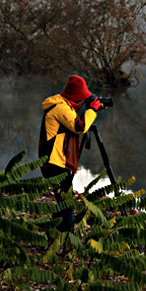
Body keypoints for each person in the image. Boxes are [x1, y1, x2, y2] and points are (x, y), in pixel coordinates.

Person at [38, 75, 105, 233]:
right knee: (66, 202)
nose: (83, 101)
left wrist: (92, 109)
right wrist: (92, 110)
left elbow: (71, 119)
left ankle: (54, 231)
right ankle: (67, 236)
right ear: (76, 97)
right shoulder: (60, 107)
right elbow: (79, 127)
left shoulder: (62, 104)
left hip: (55, 161)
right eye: (82, 98)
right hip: (54, 162)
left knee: (63, 202)